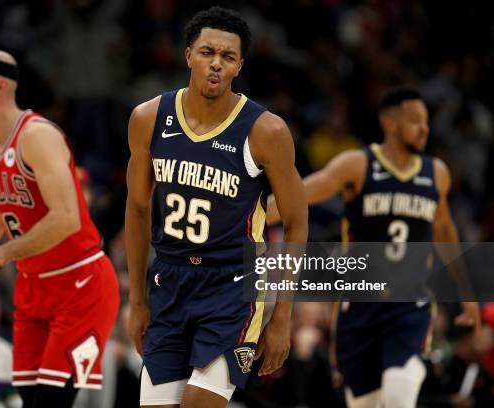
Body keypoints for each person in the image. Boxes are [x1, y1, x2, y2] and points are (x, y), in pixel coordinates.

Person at [125, 7, 308, 408]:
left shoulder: (267, 130)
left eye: (228, 57)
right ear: (189, 54)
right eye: (208, 52)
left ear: (239, 65)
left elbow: (296, 222)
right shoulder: (148, 117)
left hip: (233, 286)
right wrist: (137, 301)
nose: (216, 64)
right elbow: (137, 209)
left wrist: (281, 316)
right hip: (169, 283)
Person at [0, 50, 120, 408]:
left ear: (0, 85)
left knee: (52, 402)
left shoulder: (37, 136)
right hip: (33, 287)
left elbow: (66, 218)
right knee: (29, 401)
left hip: (80, 284)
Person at [267, 86, 481, 407]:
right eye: (415, 121)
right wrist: (248, 215)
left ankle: (413, 367)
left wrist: (466, 295)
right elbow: (300, 195)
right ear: (391, 124)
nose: (425, 128)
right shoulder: (358, 164)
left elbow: (446, 231)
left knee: (398, 393)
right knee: (365, 402)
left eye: (426, 121)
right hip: (360, 307)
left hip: (409, 306)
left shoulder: (436, 174)